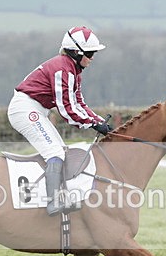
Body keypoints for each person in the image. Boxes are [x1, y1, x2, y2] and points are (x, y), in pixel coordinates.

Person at [8, 26, 112, 216]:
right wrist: (92, 124)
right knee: (55, 151)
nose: (92, 58)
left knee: (61, 151)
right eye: (89, 54)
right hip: (26, 109)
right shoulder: (62, 68)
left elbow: (79, 102)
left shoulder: (73, 70)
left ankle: (59, 195)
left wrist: (99, 121)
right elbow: (66, 109)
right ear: (75, 52)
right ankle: (53, 202)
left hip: (37, 109)